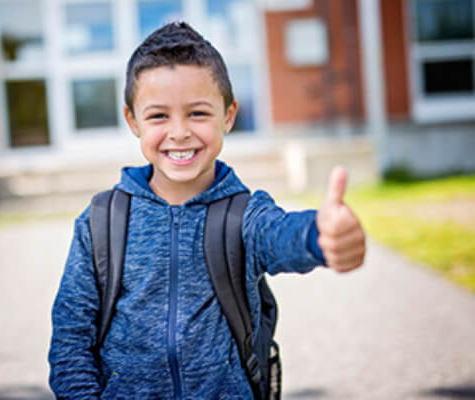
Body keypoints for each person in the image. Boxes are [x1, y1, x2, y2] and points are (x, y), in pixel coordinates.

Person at [48, 21, 366, 399]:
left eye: (198, 113)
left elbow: (282, 235)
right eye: (158, 116)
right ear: (132, 120)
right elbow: (70, 340)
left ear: (228, 115)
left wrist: (320, 234)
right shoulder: (102, 221)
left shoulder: (244, 214)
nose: (180, 132)